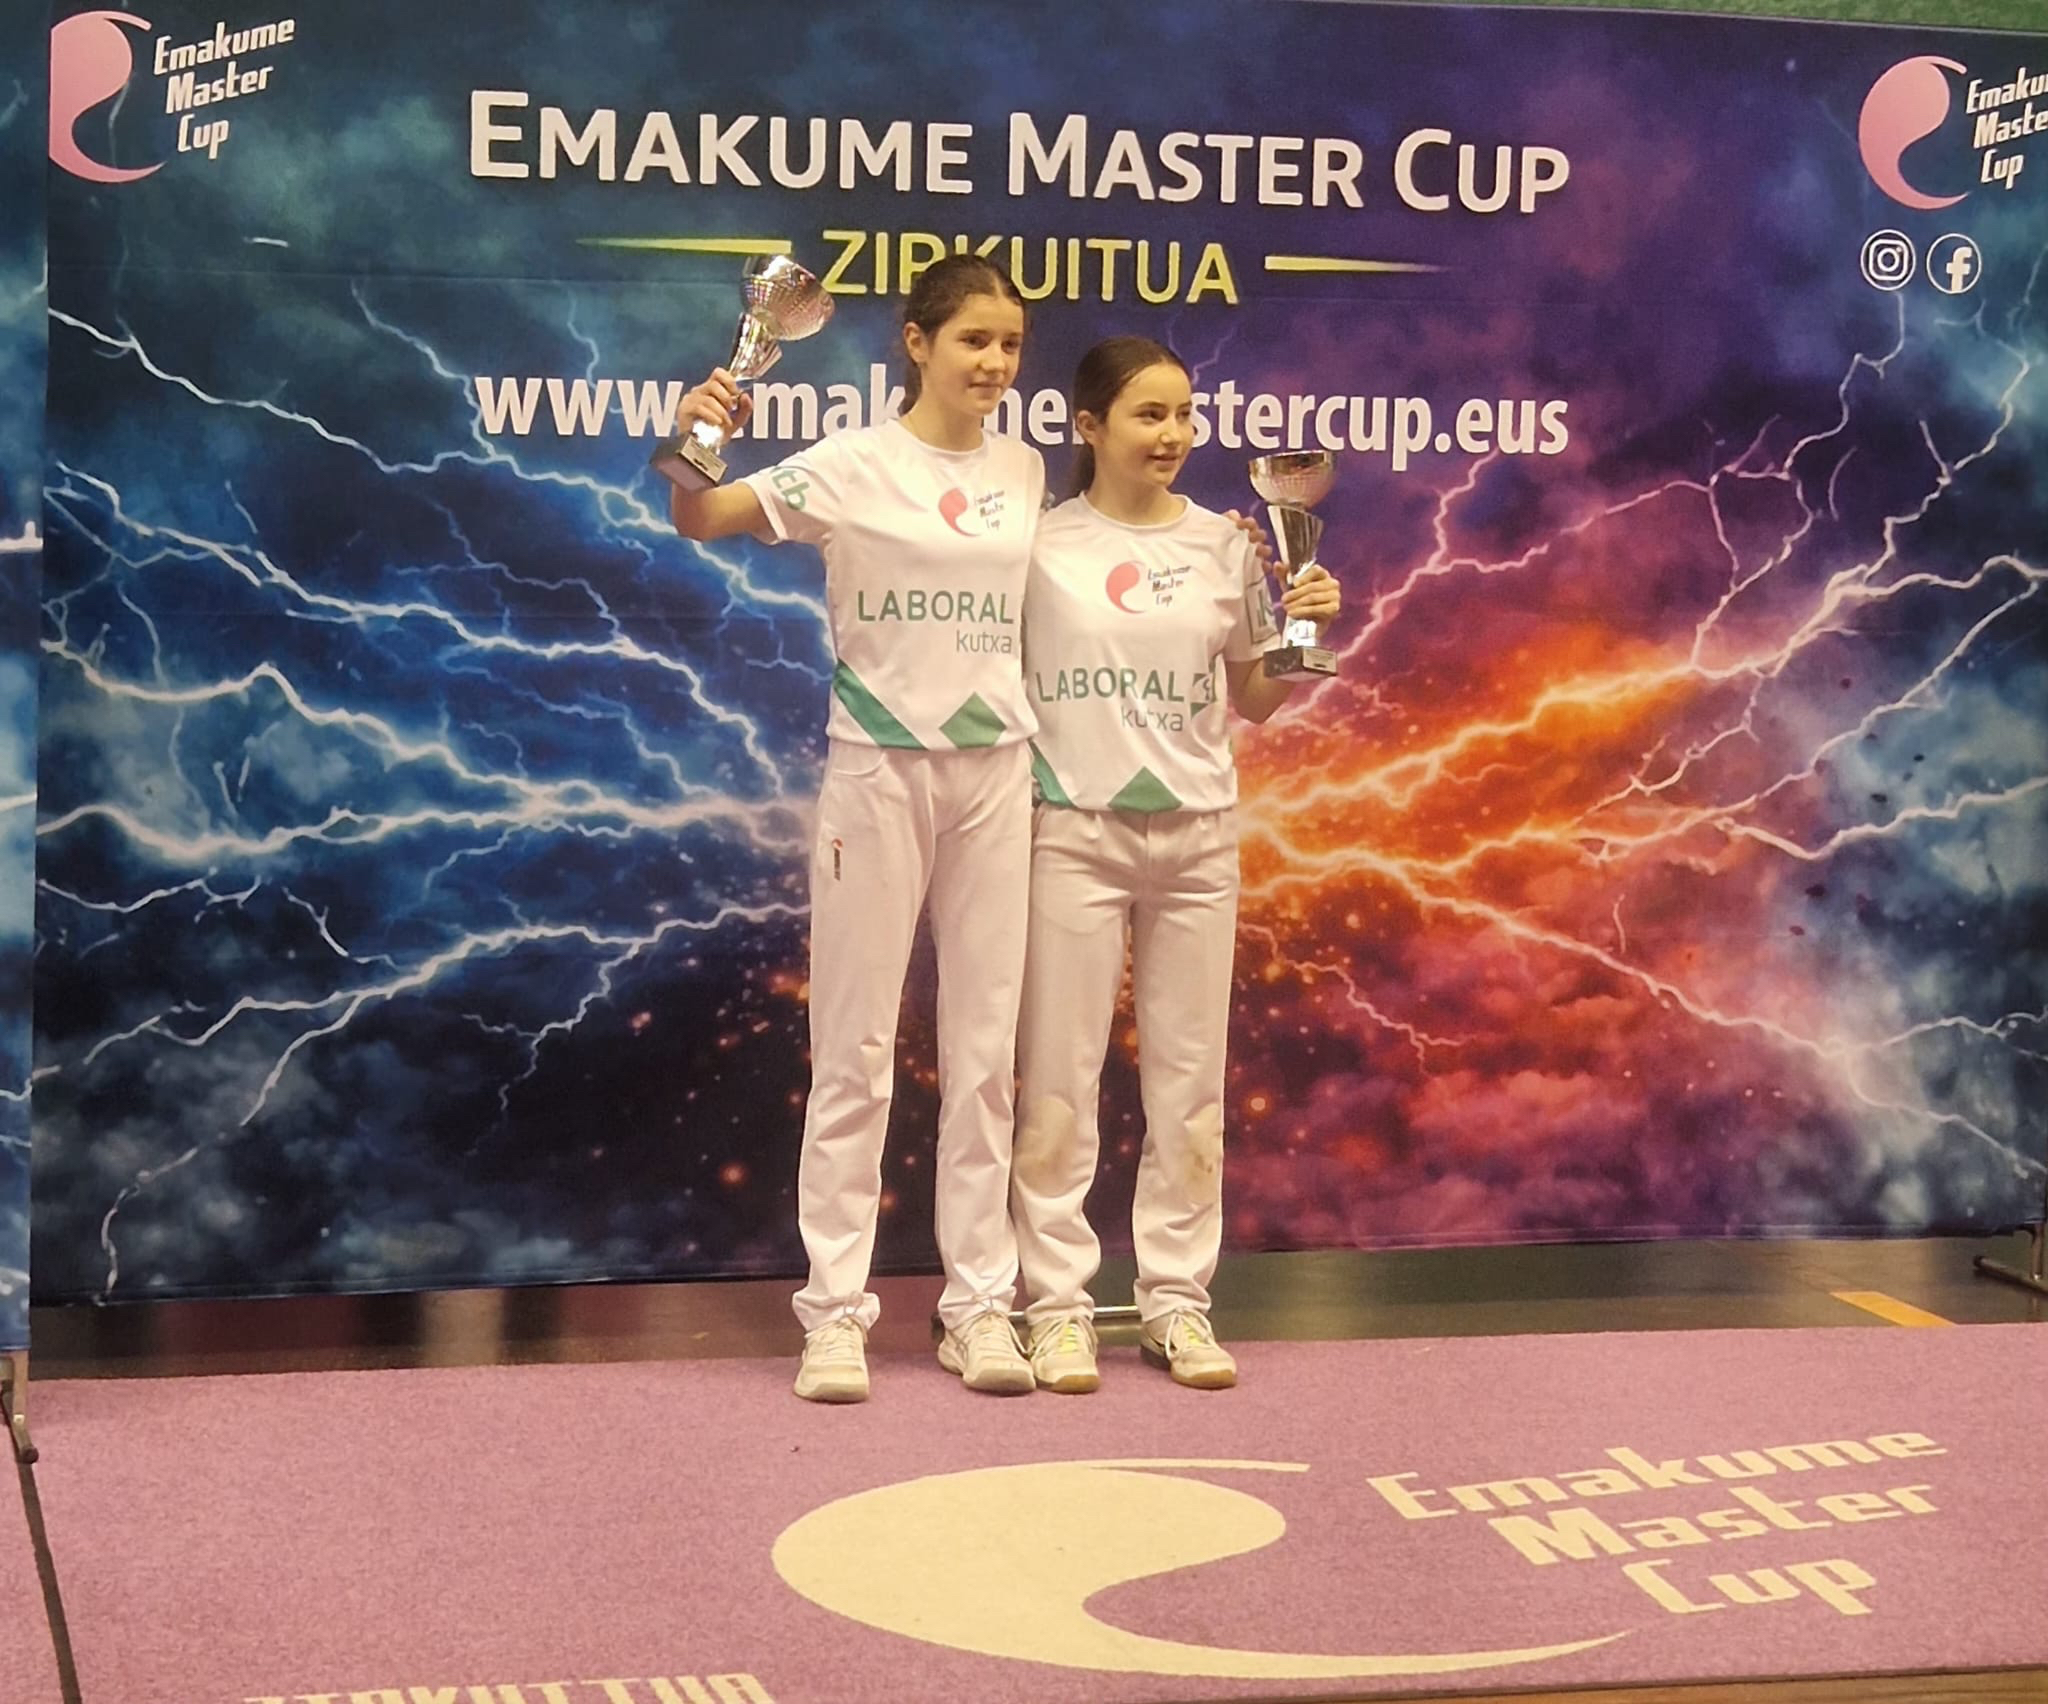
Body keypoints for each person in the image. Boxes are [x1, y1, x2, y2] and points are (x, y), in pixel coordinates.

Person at [668, 255, 1044, 1404]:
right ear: (916, 344)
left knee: (984, 1056)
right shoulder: (849, 463)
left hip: (996, 774)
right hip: (877, 771)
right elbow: (699, 517)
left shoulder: (1023, 470)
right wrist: (693, 434)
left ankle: (978, 1308)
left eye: (1009, 345)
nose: (993, 363)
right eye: (972, 340)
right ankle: (834, 1315)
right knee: (854, 1053)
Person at [1009, 336, 1340, 1395]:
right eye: (1147, 414)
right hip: (1073, 832)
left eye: (1184, 415)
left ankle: (1176, 1304)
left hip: (1197, 839)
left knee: (1189, 1092)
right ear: (1087, 425)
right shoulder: (1037, 544)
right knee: (1058, 1085)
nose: (1172, 435)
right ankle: (1056, 1308)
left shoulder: (1226, 547)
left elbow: (1254, 698)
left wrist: (1300, 633)